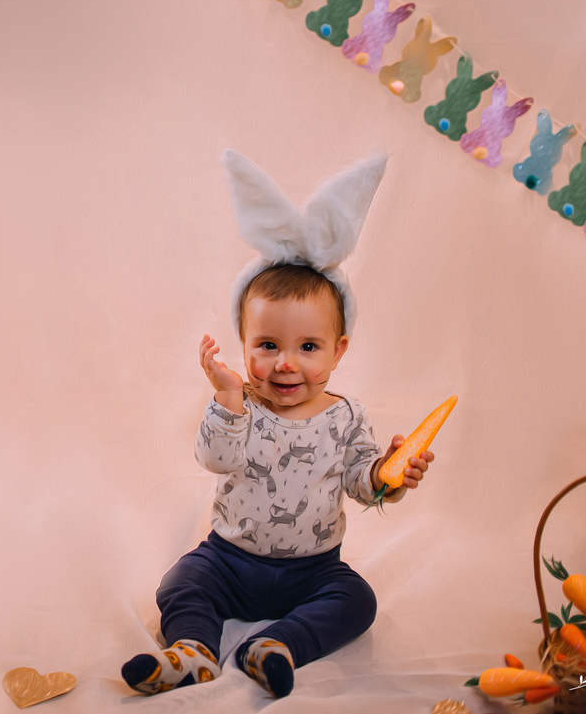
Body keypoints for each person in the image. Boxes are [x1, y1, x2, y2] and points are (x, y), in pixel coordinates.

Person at [121, 149, 435, 699]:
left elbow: (361, 481)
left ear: (338, 351)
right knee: (180, 583)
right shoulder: (239, 404)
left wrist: (389, 473)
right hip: (229, 559)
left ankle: (277, 646)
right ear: (244, 347)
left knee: (358, 600)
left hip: (313, 570)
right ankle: (192, 651)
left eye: (307, 346)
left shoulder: (345, 415)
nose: (286, 363)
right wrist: (225, 396)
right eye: (267, 345)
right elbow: (215, 458)